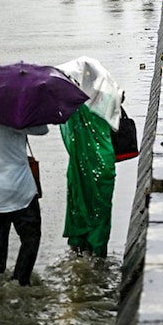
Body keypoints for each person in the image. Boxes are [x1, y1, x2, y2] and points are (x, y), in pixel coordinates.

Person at [57, 57, 124, 258]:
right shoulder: (109, 97)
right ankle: (98, 254)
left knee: (79, 203)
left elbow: (62, 129)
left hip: (79, 166)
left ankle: (78, 249)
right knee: (101, 209)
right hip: (103, 163)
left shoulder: (73, 106)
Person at [0, 120, 49, 286]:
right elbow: (42, 129)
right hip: (21, 192)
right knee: (30, 237)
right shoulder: (18, 118)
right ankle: (21, 280)